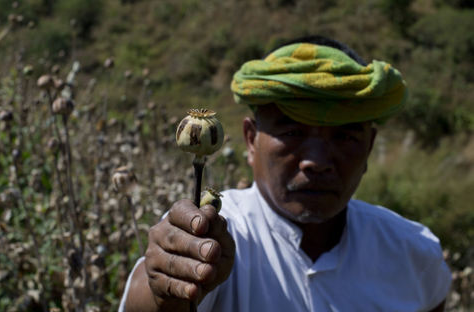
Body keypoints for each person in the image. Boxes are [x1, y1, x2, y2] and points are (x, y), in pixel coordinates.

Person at [119, 36, 452, 312]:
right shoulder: (213, 236)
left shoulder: (413, 252)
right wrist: (163, 289)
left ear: (369, 148)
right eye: (293, 133)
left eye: (345, 136)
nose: (317, 161)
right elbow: (151, 291)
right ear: (251, 140)